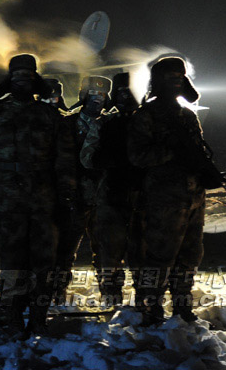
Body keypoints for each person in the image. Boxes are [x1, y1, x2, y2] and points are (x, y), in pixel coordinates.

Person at [0, 54, 76, 337]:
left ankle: (38, 316)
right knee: (11, 262)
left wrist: (65, 199)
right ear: (10, 80)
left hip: (44, 200)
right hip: (8, 201)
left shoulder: (51, 117)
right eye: (18, 75)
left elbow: (64, 162)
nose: (23, 80)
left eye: (28, 75)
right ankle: (13, 315)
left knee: (44, 262)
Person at [128, 57, 212, 325]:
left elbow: (199, 151)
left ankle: (182, 307)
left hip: (193, 197)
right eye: (170, 76)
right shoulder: (145, 115)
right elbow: (138, 157)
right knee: (159, 257)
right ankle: (149, 308)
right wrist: (172, 151)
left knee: (190, 255)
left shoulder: (188, 115)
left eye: (180, 76)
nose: (176, 80)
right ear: (158, 80)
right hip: (163, 198)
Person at [52, 75, 112, 304]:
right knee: (64, 252)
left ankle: (111, 297)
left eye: (103, 95)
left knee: (108, 253)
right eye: (93, 94)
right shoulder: (66, 123)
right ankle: (56, 296)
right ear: (84, 96)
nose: (98, 99)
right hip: (73, 197)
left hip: (103, 197)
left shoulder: (110, 125)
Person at [89, 72, 142, 307]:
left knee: (144, 253)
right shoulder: (104, 124)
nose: (124, 97)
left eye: (127, 92)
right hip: (112, 195)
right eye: (119, 93)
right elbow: (87, 158)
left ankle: (146, 301)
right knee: (109, 253)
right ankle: (111, 299)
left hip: (142, 196)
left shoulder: (147, 123)